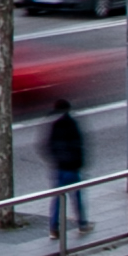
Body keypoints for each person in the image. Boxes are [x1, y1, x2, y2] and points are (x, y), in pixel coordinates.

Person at [42, 102, 89, 240]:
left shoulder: (53, 125)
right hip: (72, 167)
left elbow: (46, 145)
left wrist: (55, 160)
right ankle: (82, 224)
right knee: (77, 198)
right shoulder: (72, 123)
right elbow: (79, 144)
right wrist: (80, 162)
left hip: (60, 168)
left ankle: (54, 229)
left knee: (57, 199)